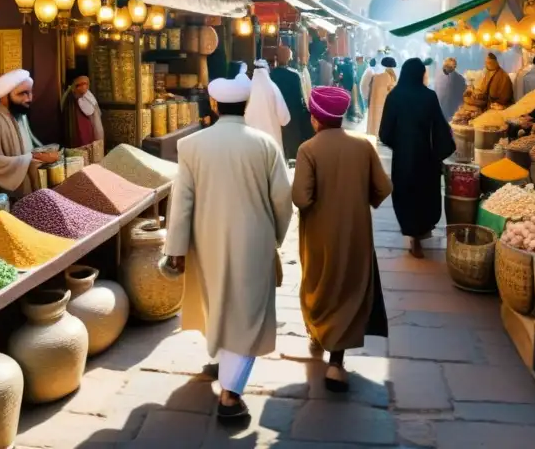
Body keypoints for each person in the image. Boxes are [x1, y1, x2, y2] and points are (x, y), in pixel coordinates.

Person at [164, 74, 293, 421]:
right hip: (254, 239)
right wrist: (275, 237)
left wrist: (175, 248)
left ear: (215, 106)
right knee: (247, 314)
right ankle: (230, 397)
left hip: (207, 240)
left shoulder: (192, 146)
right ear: (247, 104)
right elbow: (283, 201)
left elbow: (182, 202)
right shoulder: (265, 145)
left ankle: (222, 362)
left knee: (217, 299)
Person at [292, 86, 392, 392]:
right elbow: (383, 188)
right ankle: (336, 362)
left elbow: (300, 198)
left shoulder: (308, 149)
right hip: (355, 234)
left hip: (320, 237)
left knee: (320, 285)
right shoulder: (363, 147)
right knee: (349, 288)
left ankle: (317, 333)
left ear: (315, 118)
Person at [379, 58, 455, 258]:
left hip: (403, 159)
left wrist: (400, 145)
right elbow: (440, 126)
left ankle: (413, 235)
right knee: (424, 195)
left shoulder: (394, 96)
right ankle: (421, 233)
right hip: (426, 157)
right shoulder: (428, 96)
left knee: (406, 195)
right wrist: (440, 151)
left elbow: (384, 133)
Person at [0, 69, 58, 198]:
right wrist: (33, 158)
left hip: (27, 186)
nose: (29, 98)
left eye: (30, 92)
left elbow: (30, 148)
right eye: (22, 94)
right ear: (4, 96)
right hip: (4, 196)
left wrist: (43, 154)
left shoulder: (21, 117)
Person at [271, 46, 314, 161]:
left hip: (275, 115)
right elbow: (300, 98)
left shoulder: (271, 75)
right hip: (292, 115)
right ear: (289, 58)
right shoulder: (294, 75)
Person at [245, 59, 291, 156]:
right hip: (271, 141)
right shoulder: (273, 88)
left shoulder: (246, 89)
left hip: (250, 142)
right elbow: (285, 119)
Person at [60, 71, 104, 148]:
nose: (83, 87)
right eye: (79, 85)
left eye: (86, 84)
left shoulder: (89, 96)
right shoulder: (69, 98)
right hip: (75, 126)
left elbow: (94, 114)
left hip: (89, 127)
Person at [365, 56, 397, 137]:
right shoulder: (389, 76)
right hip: (384, 102)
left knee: (374, 119)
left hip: (374, 101)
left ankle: (373, 134)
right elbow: (392, 90)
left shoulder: (376, 75)